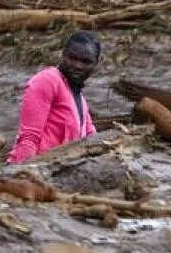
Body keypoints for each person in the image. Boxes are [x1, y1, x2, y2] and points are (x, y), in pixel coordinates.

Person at [6, 31, 102, 164]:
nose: (77, 66)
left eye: (86, 61)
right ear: (63, 55)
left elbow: (91, 139)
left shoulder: (80, 98)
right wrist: (21, 174)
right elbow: (29, 137)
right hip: (34, 169)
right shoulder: (47, 81)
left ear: (95, 64)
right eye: (72, 58)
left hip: (60, 171)